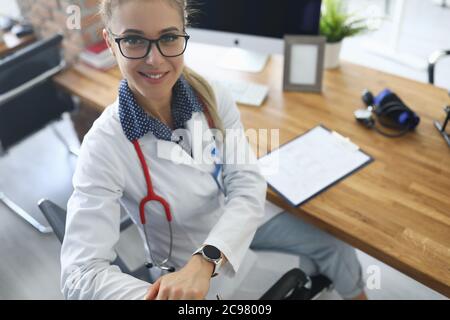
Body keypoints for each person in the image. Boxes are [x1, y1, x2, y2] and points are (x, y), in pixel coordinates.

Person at [61, 0, 367, 300]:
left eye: (168, 37)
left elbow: (246, 183)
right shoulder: (104, 146)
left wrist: (207, 259)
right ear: (110, 43)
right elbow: (79, 276)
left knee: (337, 248)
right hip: (186, 268)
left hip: (235, 221)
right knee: (316, 266)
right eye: (133, 40)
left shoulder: (213, 97)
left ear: (184, 33)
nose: (154, 59)